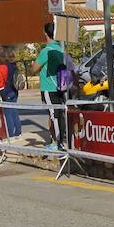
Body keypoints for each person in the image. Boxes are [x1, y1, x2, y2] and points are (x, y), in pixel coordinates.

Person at [30, 22, 66, 151]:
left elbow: (34, 69)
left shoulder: (46, 51)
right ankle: (56, 140)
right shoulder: (61, 49)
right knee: (58, 113)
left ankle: (57, 143)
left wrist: (32, 64)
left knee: (53, 115)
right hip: (61, 86)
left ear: (45, 34)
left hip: (49, 87)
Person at [1, 46, 22, 137]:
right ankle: (18, 131)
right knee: (14, 111)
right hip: (14, 90)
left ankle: (11, 133)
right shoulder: (14, 66)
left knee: (8, 113)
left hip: (7, 90)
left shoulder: (6, 67)